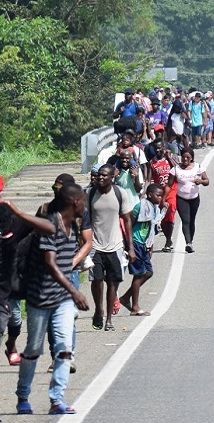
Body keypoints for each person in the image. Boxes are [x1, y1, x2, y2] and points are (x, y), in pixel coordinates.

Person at [14, 183, 90, 416]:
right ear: (75, 202)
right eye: (83, 201)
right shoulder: (52, 225)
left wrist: (70, 293)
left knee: (64, 348)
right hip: (40, 298)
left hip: (63, 299)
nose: (85, 206)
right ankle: (23, 396)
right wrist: (75, 291)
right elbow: (51, 263)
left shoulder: (74, 225)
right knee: (33, 349)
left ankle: (57, 399)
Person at [88, 164, 136, 332]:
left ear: (112, 177)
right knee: (97, 280)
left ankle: (109, 318)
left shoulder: (120, 193)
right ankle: (98, 310)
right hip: (95, 245)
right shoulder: (90, 193)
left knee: (112, 283)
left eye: (104, 175)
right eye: (99, 175)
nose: (100, 178)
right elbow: (83, 220)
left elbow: (127, 220)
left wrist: (130, 247)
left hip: (115, 246)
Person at [119, 184, 166, 316]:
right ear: (150, 195)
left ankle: (125, 297)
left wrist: (150, 246)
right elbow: (129, 224)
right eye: (158, 195)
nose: (160, 198)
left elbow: (152, 228)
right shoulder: (140, 207)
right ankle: (135, 307)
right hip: (135, 242)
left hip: (144, 244)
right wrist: (130, 247)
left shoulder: (154, 208)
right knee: (138, 275)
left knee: (148, 272)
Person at [169, 148, 209, 254]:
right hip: (181, 198)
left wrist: (200, 181)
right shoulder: (176, 169)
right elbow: (169, 185)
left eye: (188, 157)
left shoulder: (198, 167)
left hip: (194, 199)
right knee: (185, 220)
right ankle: (188, 243)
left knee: (191, 220)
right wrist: (164, 198)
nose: (185, 159)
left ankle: (191, 240)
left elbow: (207, 181)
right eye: (183, 157)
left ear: (192, 158)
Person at [148, 139, 178, 251]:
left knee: (169, 212)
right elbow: (148, 179)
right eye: (156, 148)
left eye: (160, 147)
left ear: (164, 147)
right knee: (163, 219)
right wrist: (145, 193)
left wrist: (170, 158)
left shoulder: (170, 157)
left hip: (171, 190)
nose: (158, 150)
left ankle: (168, 241)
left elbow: (178, 168)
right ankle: (168, 239)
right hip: (159, 193)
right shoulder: (152, 162)